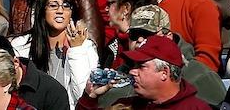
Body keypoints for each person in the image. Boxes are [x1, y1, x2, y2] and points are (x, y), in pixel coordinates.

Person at [78, 35, 209, 110]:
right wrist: (90, 97)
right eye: (133, 65)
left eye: (141, 66)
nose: (132, 71)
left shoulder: (195, 108)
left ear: (164, 72)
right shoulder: (126, 105)